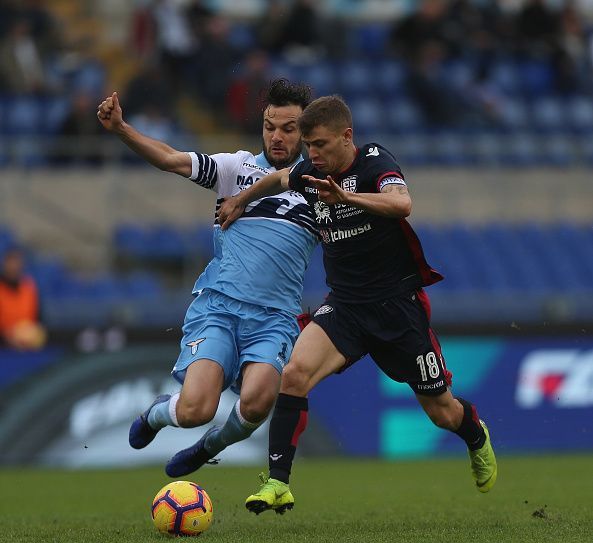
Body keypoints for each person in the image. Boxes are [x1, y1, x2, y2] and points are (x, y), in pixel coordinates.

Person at [218, 95, 497, 515]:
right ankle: (277, 482)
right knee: (293, 373)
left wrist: (346, 199)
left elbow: (402, 204)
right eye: (309, 145)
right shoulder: (311, 170)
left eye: (322, 145)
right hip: (346, 307)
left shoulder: (373, 162)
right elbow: (278, 179)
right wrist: (242, 201)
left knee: (441, 411)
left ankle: (475, 435)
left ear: (347, 138)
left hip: (397, 308)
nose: (313, 154)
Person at [96, 79, 317, 477]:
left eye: (288, 128)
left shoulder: (317, 187)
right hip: (220, 308)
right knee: (197, 409)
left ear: (306, 131)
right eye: (270, 126)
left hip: (274, 318)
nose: (277, 136)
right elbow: (171, 159)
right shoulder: (236, 168)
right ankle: (157, 414)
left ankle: (208, 448)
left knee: (256, 403)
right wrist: (122, 130)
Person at [0, 246, 46, 350]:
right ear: (4, 264)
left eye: (17, 262)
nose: (14, 267)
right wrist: (6, 337)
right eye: (11, 262)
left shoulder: (29, 286)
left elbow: (38, 318)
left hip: (28, 343)